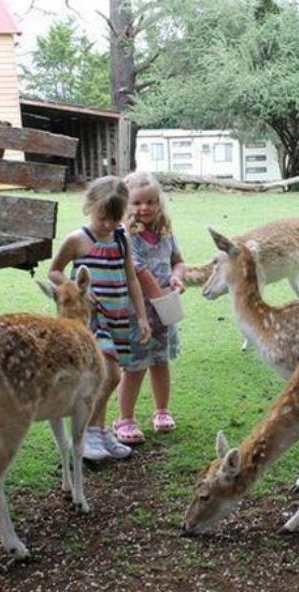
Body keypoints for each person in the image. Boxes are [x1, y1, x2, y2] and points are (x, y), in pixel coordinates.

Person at [48, 176, 151, 460]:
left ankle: (100, 432)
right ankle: (87, 435)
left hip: (119, 316)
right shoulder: (77, 240)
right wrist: (77, 290)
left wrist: (141, 317)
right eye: (103, 217)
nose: (108, 225)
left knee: (104, 376)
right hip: (92, 320)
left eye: (115, 219)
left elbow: (130, 278)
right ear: (90, 206)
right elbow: (54, 271)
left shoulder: (121, 238)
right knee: (110, 376)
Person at [114, 172, 185, 444]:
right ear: (126, 205)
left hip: (164, 308)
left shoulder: (165, 232)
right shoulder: (127, 236)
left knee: (160, 360)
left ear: (159, 202)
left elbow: (178, 261)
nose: (145, 208)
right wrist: (166, 302)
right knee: (134, 365)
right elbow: (141, 273)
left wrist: (178, 276)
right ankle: (125, 419)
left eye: (151, 202)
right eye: (137, 203)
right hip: (139, 313)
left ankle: (162, 410)